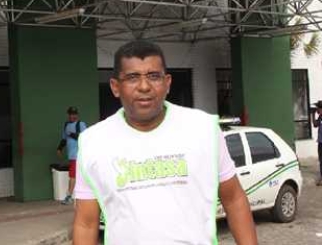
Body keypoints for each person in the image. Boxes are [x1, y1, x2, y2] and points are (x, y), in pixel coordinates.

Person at [71, 41, 257, 245]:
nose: (144, 86)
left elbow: (234, 199)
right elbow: (86, 223)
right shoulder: (94, 142)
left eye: (153, 76)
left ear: (167, 83)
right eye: (133, 77)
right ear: (116, 87)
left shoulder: (203, 128)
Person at [57, 106, 87, 205]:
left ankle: (69, 196)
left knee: (73, 176)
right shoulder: (66, 125)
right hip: (71, 156)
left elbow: (84, 137)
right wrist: (59, 148)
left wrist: (71, 134)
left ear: (77, 115)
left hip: (78, 155)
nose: (72, 116)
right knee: (76, 176)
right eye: (70, 114)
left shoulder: (80, 124)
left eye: (74, 114)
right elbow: (64, 139)